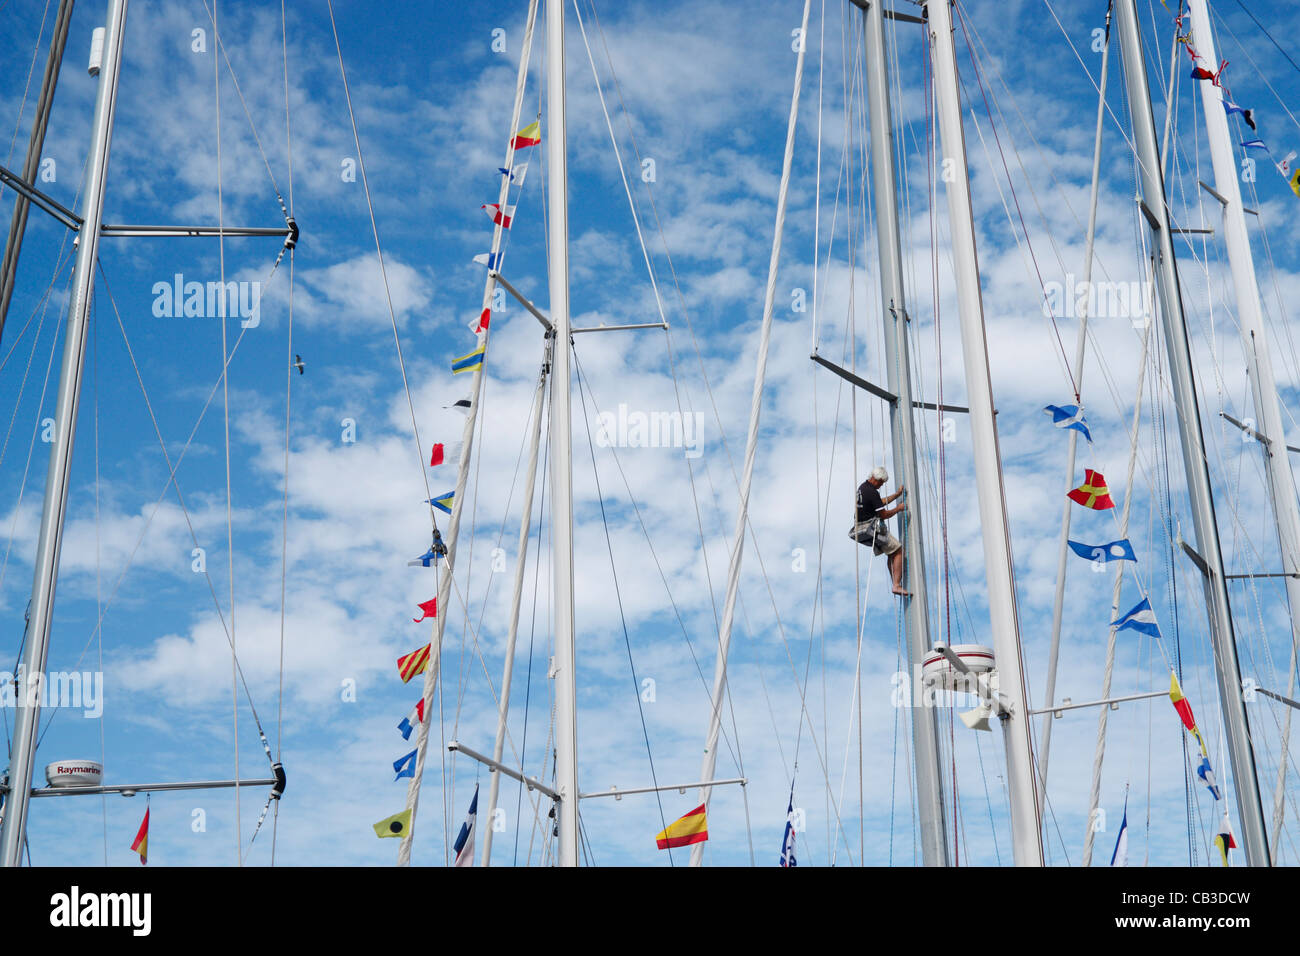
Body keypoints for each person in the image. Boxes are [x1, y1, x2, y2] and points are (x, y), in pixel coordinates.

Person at [854, 465, 909, 596]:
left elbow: (880, 502)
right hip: (872, 528)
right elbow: (883, 514)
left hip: (861, 528)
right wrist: (899, 508)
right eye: (881, 483)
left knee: (891, 553)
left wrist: (896, 495)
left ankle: (895, 583)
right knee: (898, 550)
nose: (881, 486)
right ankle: (896, 585)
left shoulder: (863, 487)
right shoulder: (872, 492)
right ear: (876, 479)